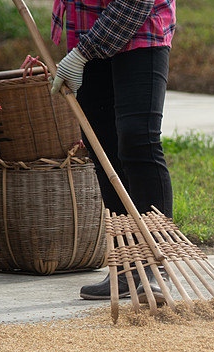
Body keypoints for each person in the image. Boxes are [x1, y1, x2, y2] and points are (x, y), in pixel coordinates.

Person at [50, 0, 175, 301]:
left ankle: (156, 266)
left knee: (137, 141)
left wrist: (82, 54)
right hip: (86, 24)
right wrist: (82, 51)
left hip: (140, 23)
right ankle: (126, 267)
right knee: (102, 147)